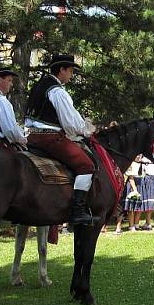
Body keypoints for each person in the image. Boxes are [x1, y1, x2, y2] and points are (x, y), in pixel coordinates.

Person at [25, 54, 95, 225]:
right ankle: (77, 211)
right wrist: (86, 131)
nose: (71, 75)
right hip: (49, 138)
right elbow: (71, 123)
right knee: (86, 166)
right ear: (61, 70)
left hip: (31, 137)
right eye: (70, 71)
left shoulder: (38, 86)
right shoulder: (57, 91)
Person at [138, 156, 154, 230]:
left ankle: (147, 222)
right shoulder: (144, 159)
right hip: (148, 180)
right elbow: (141, 172)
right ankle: (144, 223)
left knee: (152, 203)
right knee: (149, 202)